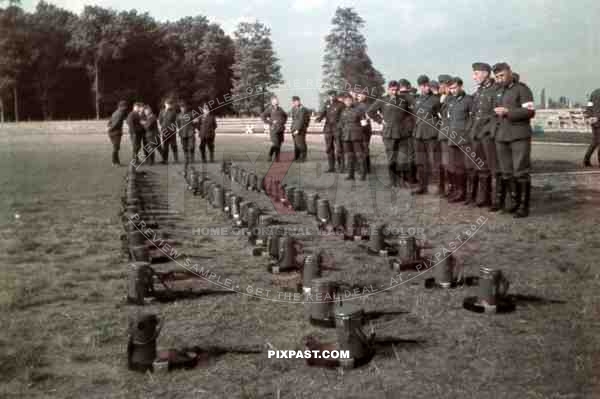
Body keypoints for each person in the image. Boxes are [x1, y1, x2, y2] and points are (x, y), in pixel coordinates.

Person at [490, 62, 535, 218]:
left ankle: (523, 206)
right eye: (497, 77)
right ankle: (514, 202)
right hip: (501, 136)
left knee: (521, 171)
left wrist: (508, 112)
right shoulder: (497, 91)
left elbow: (529, 112)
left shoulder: (522, 89)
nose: (500, 79)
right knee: (506, 172)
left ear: (509, 72)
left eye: (502, 75)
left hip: (518, 135)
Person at [367, 81, 413, 187]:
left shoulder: (404, 100)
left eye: (396, 90)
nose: (394, 92)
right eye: (392, 90)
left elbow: (411, 113)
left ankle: (402, 181)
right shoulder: (382, 100)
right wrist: (380, 120)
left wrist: (408, 124)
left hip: (402, 133)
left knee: (402, 158)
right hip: (389, 134)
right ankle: (393, 181)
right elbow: (370, 111)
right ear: (388, 89)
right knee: (392, 158)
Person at [470, 62, 498, 207]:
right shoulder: (479, 91)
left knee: (494, 168)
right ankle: (483, 198)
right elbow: (474, 113)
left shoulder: (496, 89)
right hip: (477, 135)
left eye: (476, 73)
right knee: (481, 167)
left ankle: (496, 199)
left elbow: (496, 114)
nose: (473, 77)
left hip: (488, 135)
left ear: (486, 73)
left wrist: (489, 130)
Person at [446, 77, 474, 203]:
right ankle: (459, 192)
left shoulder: (468, 100)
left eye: (454, 87)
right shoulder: (451, 101)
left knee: (468, 166)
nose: (452, 90)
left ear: (461, 86)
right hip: (453, 138)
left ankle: (470, 194)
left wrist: (467, 132)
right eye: (450, 88)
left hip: (465, 138)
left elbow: (473, 118)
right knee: (456, 166)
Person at [413, 75, 441, 195]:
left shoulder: (436, 99)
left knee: (435, 162)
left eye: (427, 85)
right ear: (419, 86)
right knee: (420, 162)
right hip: (419, 134)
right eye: (422, 85)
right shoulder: (417, 99)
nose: (425, 87)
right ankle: (422, 186)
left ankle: (440, 188)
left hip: (431, 133)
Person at [339, 93, 367, 180]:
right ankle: (351, 175)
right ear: (344, 102)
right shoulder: (343, 112)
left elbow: (364, 124)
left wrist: (362, 135)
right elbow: (341, 124)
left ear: (352, 100)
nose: (348, 102)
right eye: (346, 101)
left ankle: (363, 175)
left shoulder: (358, 110)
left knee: (359, 155)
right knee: (349, 156)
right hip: (346, 136)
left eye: (349, 100)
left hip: (356, 136)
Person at [315, 90, 345, 173]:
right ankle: (331, 167)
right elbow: (323, 113)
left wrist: (340, 125)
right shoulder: (326, 104)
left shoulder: (341, 104)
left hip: (337, 129)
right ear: (328, 96)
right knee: (329, 148)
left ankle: (341, 167)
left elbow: (344, 116)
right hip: (328, 129)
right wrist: (319, 118)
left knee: (339, 149)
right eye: (330, 95)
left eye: (333, 95)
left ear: (336, 96)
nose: (332, 97)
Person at [437, 75, 454, 197]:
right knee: (445, 162)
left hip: (449, 134)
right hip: (444, 133)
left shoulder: (450, 99)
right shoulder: (443, 98)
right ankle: (447, 187)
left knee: (450, 162)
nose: (439, 86)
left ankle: (451, 188)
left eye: (441, 84)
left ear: (446, 86)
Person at [399, 79, 418, 185]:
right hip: (410, 129)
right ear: (409, 87)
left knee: (401, 153)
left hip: (399, 130)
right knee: (411, 154)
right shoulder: (412, 98)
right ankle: (411, 178)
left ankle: (402, 177)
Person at [261, 96, 288, 162]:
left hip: (281, 129)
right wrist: (270, 122)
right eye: (275, 101)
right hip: (274, 129)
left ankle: (273, 156)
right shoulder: (269, 109)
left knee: (279, 144)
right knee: (276, 144)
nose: (277, 102)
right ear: (272, 102)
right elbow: (263, 116)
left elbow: (285, 116)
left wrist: (283, 122)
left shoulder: (280, 109)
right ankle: (274, 157)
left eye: (277, 100)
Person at [107, 100, 128, 166]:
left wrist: (109, 128)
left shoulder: (115, 112)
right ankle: (114, 162)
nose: (125, 108)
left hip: (112, 133)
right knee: (116, 148)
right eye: (125, 106)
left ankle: (117, 162)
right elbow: (116, 124)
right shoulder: (120, 113)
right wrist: (110, 129)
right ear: (121, 106)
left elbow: (110, 122)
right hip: (116, 133)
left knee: (116, 147)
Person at [356, 92, 373, 173]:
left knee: (364, 148)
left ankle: (365, 168)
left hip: (364, 130)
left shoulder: (365, 105)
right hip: (362, 129)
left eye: (359, 95)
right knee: (363, 148)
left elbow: (367, 117)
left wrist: (363, 122)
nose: (357, 97)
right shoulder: (359, 104)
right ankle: (366, 167)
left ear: (364, 96)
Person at [177, 101, 197, 171]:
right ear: (180, 108)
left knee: (191, 147)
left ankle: (192, 159)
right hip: (183, 133)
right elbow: (178, 124)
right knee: (184, 147)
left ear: (186, 107)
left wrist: (193, 128)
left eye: (184, 107)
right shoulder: (178, 115)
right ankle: (186, 158)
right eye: (181, 107)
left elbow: (195, 123)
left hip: (190, 133)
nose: (183, 109)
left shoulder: (191, 114)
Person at [290, 96, 310, 162]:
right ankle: (296, 157)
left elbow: (302, 120)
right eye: (294, 102)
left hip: (300, 129)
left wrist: (298, 129)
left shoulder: (303, 109)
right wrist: (292, 128)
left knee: (301, 143)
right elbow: (294, 119)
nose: (295, 103)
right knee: (296, 144)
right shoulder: (293, 109)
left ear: (299, 101)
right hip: (294, 128)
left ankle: (303, 157)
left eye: (296, 101)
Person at [158, 98, 179, 164]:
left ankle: (176, 160)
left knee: (173, 145)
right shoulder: (162, 111)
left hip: (172, 131)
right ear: (165, 104)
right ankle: (165, 160)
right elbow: (160, 121)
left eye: (170, 104)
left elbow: (176, 121)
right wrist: (164, 127)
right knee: (165, 146)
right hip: (164, 131)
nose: (168, 105)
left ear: (172, 105)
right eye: (167, 104)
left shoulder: (174, 112)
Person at [583, 89, 600, 167]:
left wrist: (589, 117)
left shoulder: (594, 93)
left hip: (593, 120)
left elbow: (589, 106)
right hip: (598, 119)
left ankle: (586, 160)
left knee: (595, 141)